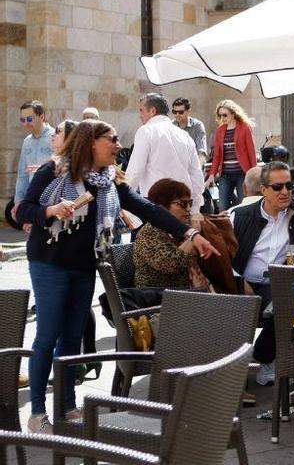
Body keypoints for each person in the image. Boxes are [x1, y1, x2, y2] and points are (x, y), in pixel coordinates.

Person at [17, 119, 218, 434]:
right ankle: (38, 413)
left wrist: (188, 231)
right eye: (112, 139)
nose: (118, 145)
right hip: (49, 262)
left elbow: (148, 208)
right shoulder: (54, 171)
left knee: (72, 337)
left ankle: (68, 407)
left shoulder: (108, 180)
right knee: (49, 334)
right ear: (91, 141)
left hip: (84, 265)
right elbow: (23, 210)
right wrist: (51, 211)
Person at [230, 161, 294, 385]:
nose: (286, 192)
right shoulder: (239, 215)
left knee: (288, 299)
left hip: (281, 282)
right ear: (263, 189)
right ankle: (235, 365)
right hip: (242, 282)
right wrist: (240, 282)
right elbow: (222, 259)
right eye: (278, 187)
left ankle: (262, 359)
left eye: (289, 186)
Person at [126, 93, 206, 213]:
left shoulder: (146, 131)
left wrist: (123, 199)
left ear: (152, 111)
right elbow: (196, 174)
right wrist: (195, 209)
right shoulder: (184, 135)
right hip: (182, 206)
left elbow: (135, 171)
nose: (139, 115)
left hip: (156, 206)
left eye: (141, 110)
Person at [134, 179, 201, 289]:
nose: (189, 209)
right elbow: (171, 264)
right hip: (159, 299)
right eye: (183, 204)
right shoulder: (148, 233)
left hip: (183, 296)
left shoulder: (179, 229)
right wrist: (193, 234)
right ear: (162, 207)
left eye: (190, 203)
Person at [206, 99, 258, 211]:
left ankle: (242, 228)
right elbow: (217, 155)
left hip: (242, 174)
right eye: (219, 116)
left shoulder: (244, 127)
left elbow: (251, 151)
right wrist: (212, 175)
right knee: (222, 208)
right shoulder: (220, 130)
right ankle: (226, 228)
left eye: (225, 115)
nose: (222, 118)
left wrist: (254, 173)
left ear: (233, 114)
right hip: (225, 176)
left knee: (244, 206)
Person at [13, 101, 55, 220]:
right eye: (23, 120)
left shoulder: (56, 137)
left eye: (29, 119)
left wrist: (43, 170)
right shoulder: (27, 142)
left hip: (52, 201)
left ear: (42, 116)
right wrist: (19, 201)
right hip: (32, 202)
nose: (25, 123)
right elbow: (22, 175)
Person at [171, 97, 209, 163]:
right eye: (174, 112)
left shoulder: (197, 125)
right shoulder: (171, 125)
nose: (177, 115)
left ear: (188, 111)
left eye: (181, 112)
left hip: (193, 165)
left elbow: (201, 150)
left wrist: (199, 167)